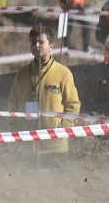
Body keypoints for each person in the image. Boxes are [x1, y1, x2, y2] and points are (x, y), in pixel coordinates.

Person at [12, 25, 80, 161]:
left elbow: (73, 104)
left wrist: (63, 129)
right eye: (33, 42)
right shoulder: (22, 74)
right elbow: (13, 103)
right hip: (27, 148)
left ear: (51, 46)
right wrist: (14, 130)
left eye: (41, 42)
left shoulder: (63, 73)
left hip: (56, 149)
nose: (36, 45)